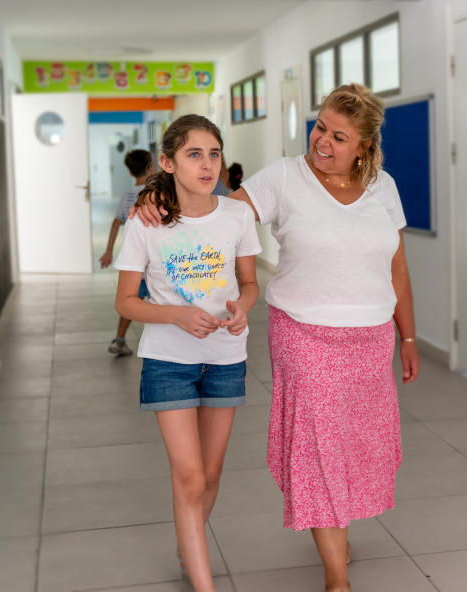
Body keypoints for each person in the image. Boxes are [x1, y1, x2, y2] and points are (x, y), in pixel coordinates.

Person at [135, 84, 420, 592]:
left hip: (370, 339)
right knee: (318, 447)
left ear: (364, 147)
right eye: (320, 127)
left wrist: (410, 338)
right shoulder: (284, 178)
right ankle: (336, 576)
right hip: (304, 336)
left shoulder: (384, 187)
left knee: (352, 446)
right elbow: (213, 213)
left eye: (338, 136)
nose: (323, 142)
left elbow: (396, 264)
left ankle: (339, 534)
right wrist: (159, 196)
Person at [115, 114, 261, 592]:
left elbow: (249, 283)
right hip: (167, 361)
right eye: (194, 154)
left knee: (212, 473)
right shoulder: (146, 220)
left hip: (226, 356)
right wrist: (175, 314)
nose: (206, 164)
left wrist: (244, 307)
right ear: (168, 162)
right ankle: (204, 583)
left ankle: (188, 541)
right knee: (190, 475)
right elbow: (125, 302)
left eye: (214, 154)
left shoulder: (237, 216)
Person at [100, 149, 153, 356]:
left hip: (135, 263)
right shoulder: (159, 193)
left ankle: (119, 339)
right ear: (151, 167)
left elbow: (116, 223)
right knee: (162, 301)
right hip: (155, 262)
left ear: (131, 173)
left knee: (131, 301)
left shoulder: (128, 195)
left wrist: (108, 252)